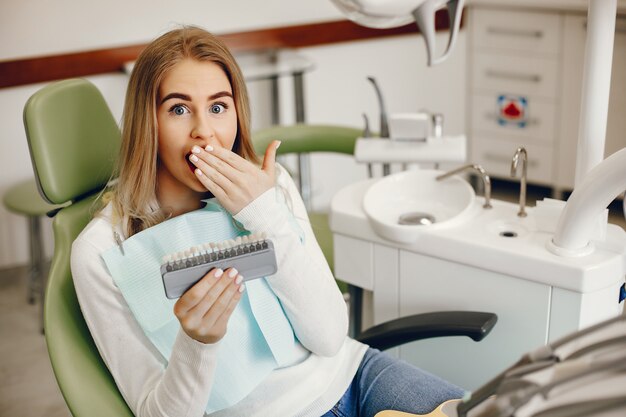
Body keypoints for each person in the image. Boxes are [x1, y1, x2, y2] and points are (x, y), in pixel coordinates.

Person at [70, 26, 463, 417]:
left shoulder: (268, 187)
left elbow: (328, 337)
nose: (204, 132)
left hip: (353, 374)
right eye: (178, 109)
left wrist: (263, 212)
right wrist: (197, 342)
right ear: (147, 123)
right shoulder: (101, 250)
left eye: (218, 107)